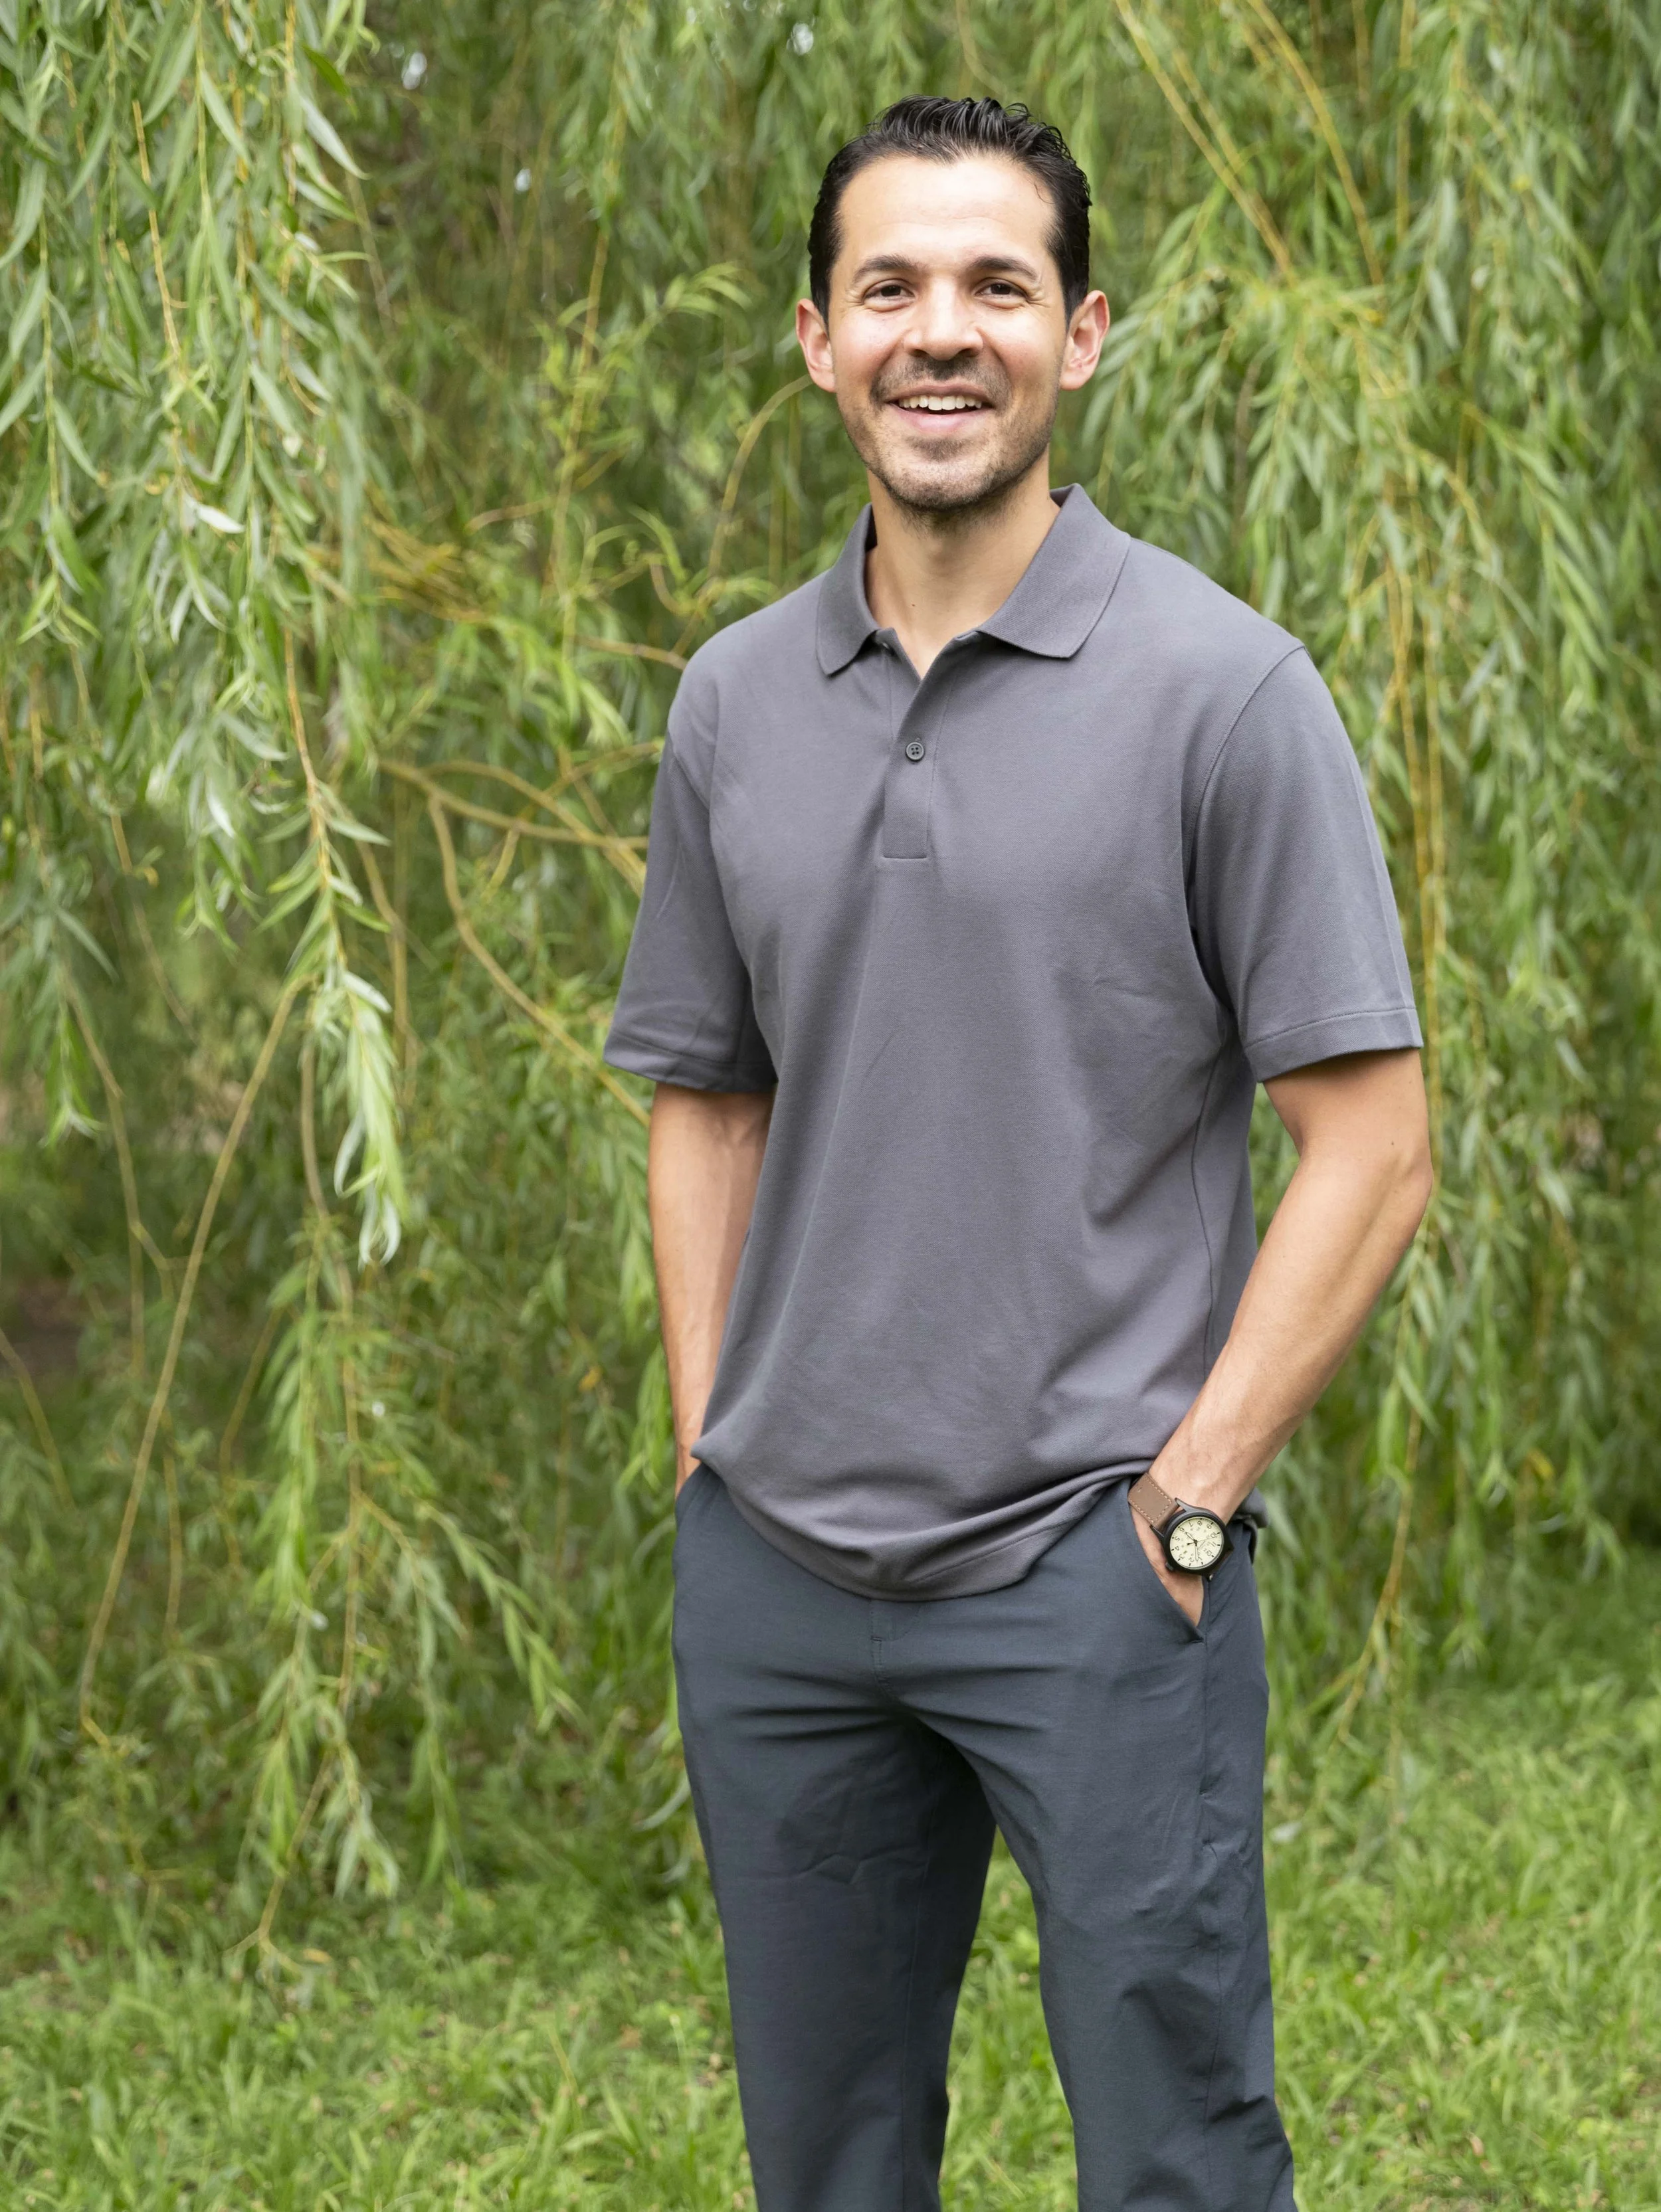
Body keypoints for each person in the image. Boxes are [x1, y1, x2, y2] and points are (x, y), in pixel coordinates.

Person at [604, 94, 1430, 2212]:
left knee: (1174, 2149)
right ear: (815, 338)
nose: (938, 331)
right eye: (890, 285)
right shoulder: (730, 705)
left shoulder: (1222, 694)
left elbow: (1370, 1141)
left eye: (996, 285)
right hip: (778, 1578)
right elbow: (704, 1089)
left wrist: (1188, 1502)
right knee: (828, 2157)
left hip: (1091, 1567)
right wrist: (711, 1434)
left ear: (1082, 339)